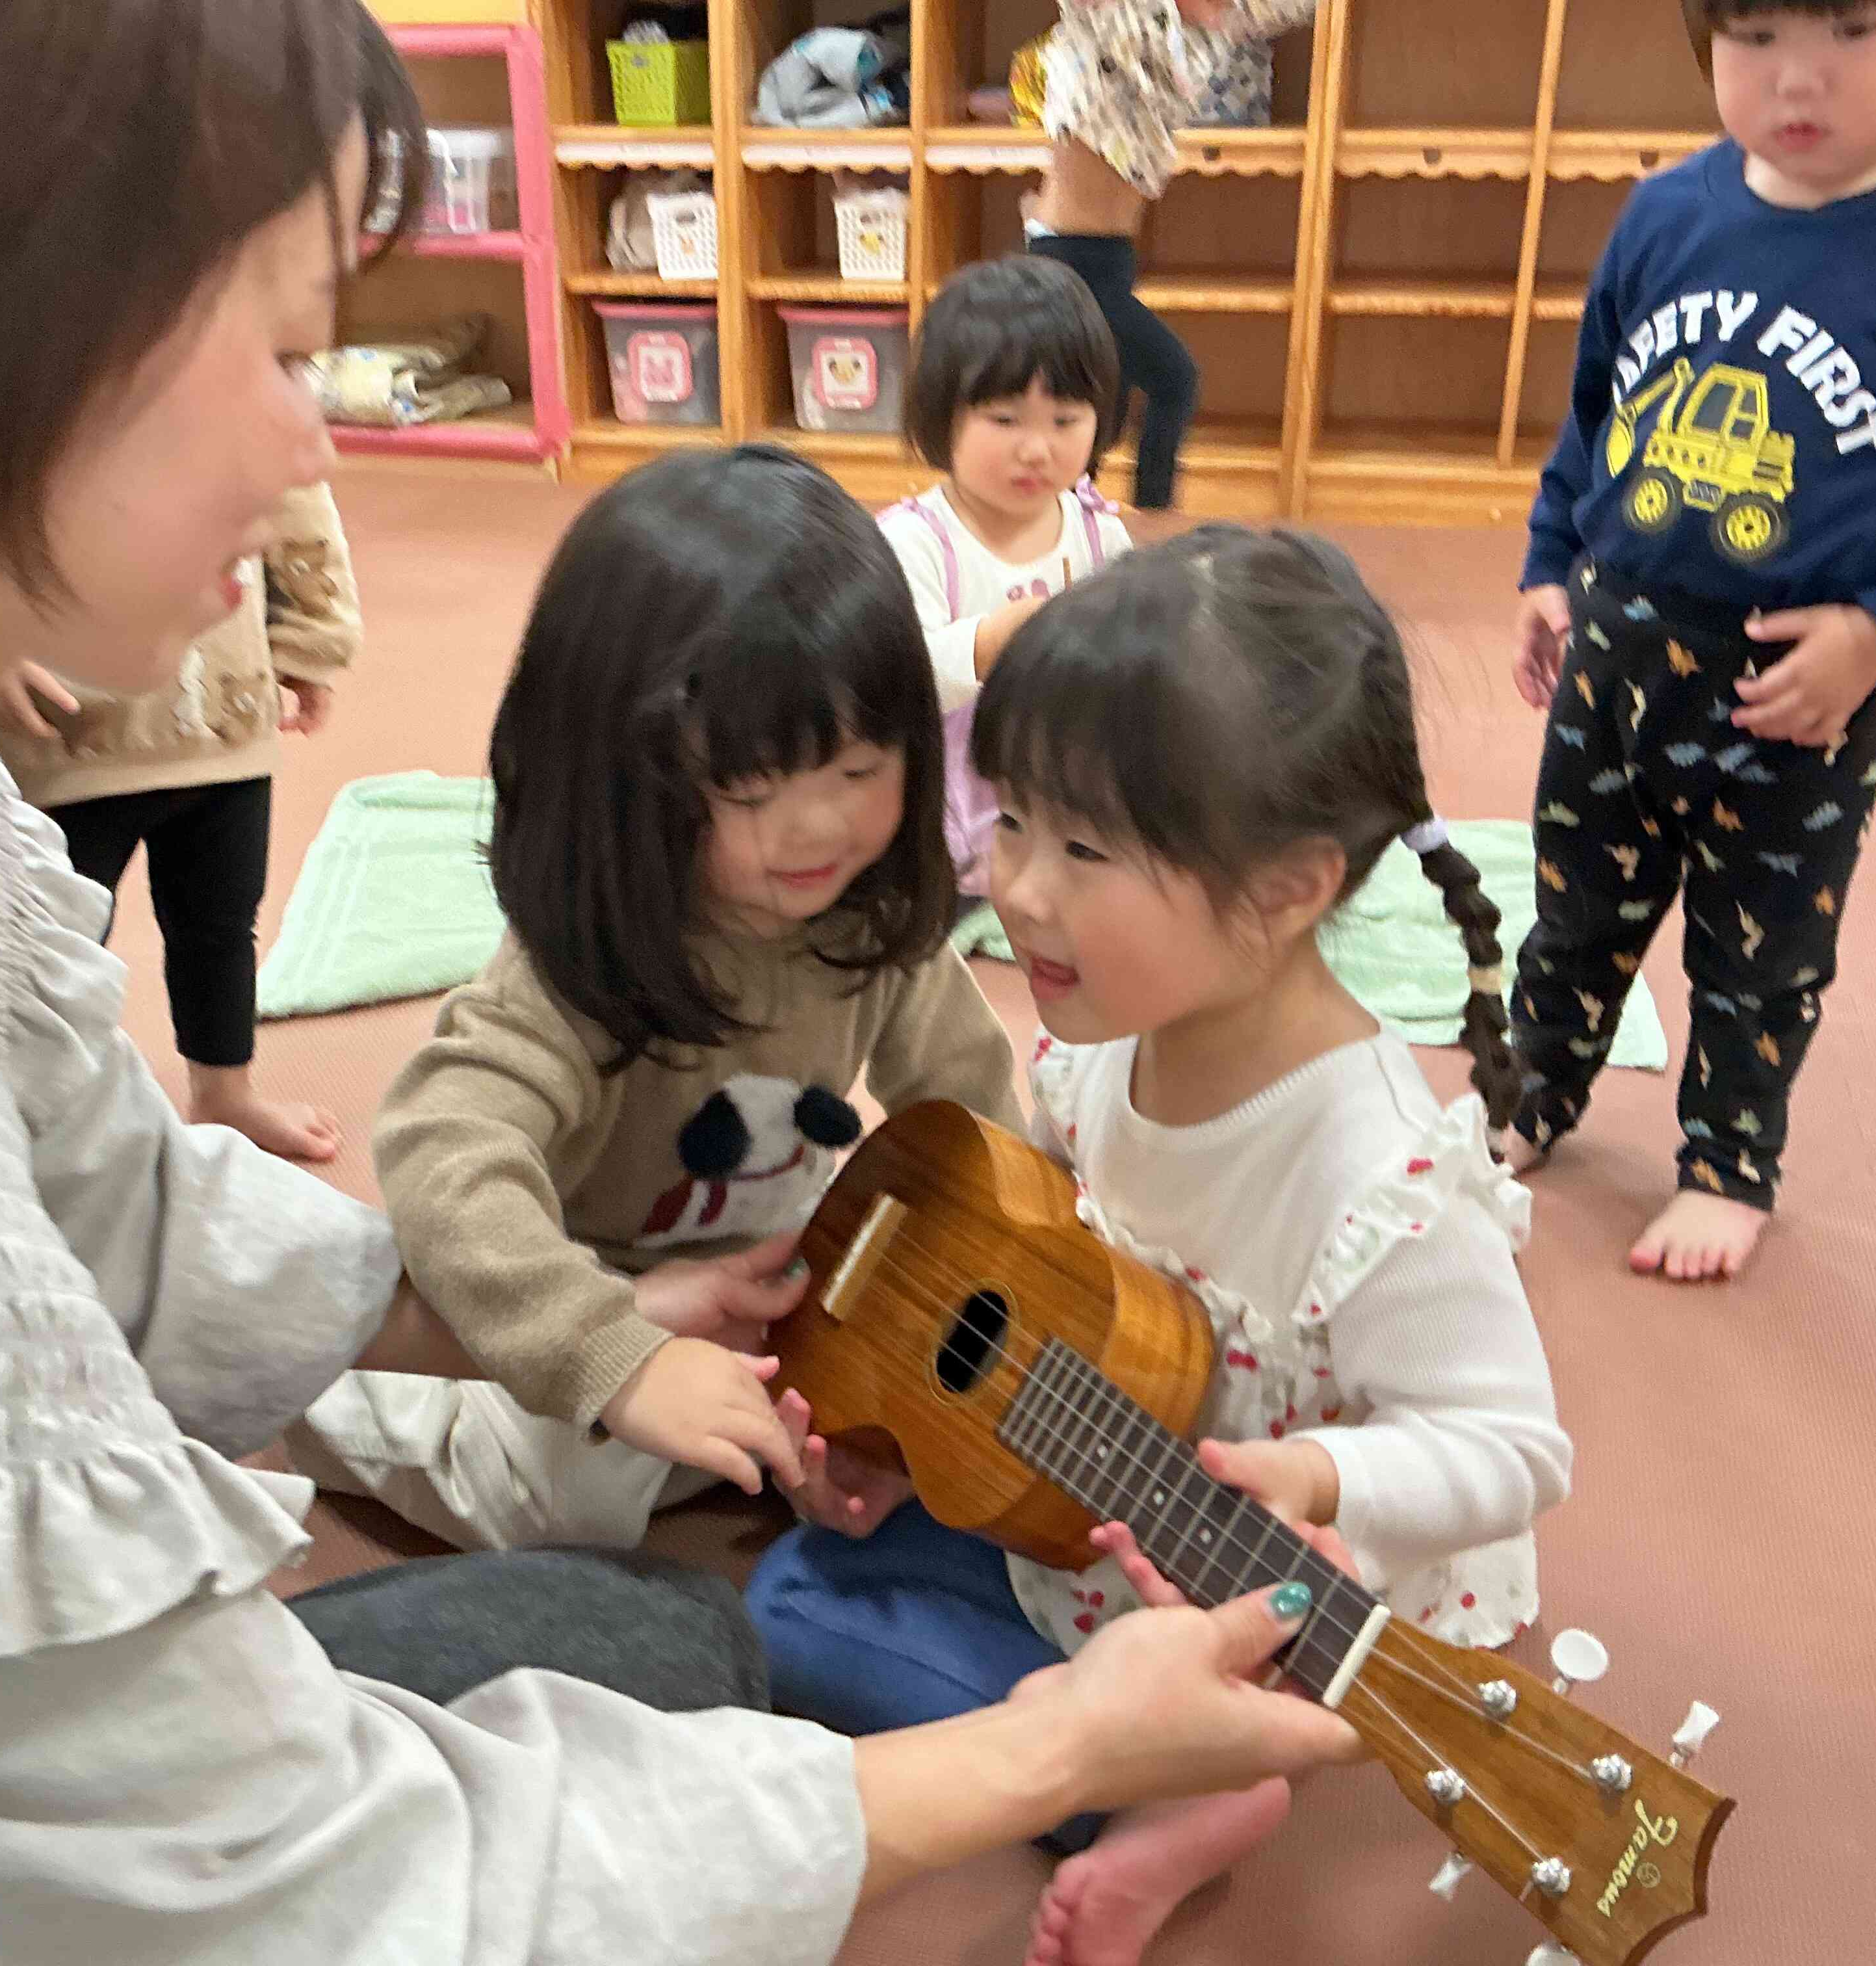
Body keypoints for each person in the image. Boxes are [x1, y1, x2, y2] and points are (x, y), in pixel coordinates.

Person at [0, 5, 1374, 1959]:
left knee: (640, 1650)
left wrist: (616, 1322)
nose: (323, 440)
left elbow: (117, 1224)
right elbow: (309, 1901)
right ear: (9, 325)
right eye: (294, 345)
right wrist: (1045, 1743)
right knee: (648, 1654)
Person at [748, 527, 1574, 1966]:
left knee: (800, 1634)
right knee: (792, 1578)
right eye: (1009, 821)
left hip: (1265, 1576)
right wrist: (901, 1411)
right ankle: (1146, 1759)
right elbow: (1039, 1238)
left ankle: (1205, 1782)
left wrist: (1320, 1470)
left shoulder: (1383, 1174)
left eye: (1084, 848)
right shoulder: (1105, 1051)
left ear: (1286, 891)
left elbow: (1515, 1449)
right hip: (1089, 1470)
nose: (1019, 888)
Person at [293, 444, 1024, 1551]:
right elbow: (442, 1151)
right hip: (579, 1287)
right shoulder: (583, 966)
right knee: (563, 1504)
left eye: (860, 770)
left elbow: (974, 1113)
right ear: (629, 780)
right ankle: (315, 1377)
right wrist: (611, 1346)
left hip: (765, 1282)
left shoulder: (873, 925)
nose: (818, 827)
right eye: (750, 788)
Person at [1503, 0, 1876, 1281]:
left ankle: (1727, 1165)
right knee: (1573, 907)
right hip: (1618, 654)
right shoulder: (1668, 212)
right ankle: (1531, 1093)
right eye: (1755, 36)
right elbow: (1599, 412)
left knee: (1761, 946)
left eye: (1854, 31)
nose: (1794, 79)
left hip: (1797, 680)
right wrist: (1551, 563)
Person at [0, 478, 361, 1162]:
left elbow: (293, 489)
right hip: (61, 727)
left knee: (218, 922)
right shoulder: (0, 376)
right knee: (52, 941)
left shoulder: (242, 378)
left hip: (224, 718)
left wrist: (312, 639)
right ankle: (41, 1112)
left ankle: (225, 1094)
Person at [881, 255, 1132, 900]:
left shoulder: (1099, 533)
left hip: (1061, 786)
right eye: (1005, 419)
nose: (1037, 448)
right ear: (944, 419)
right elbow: (893, 676)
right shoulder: (917, 541)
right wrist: (989, 645)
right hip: (946, 800)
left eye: (1065, 420)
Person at [1025, 0, 1316, 509]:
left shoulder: (1207, 31)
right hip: (1068, 263)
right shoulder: (1111, 16)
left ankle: (1077, 522)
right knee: (1172, 380)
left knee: (1101, 408)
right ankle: (1150, 521)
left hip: (1107, 259)